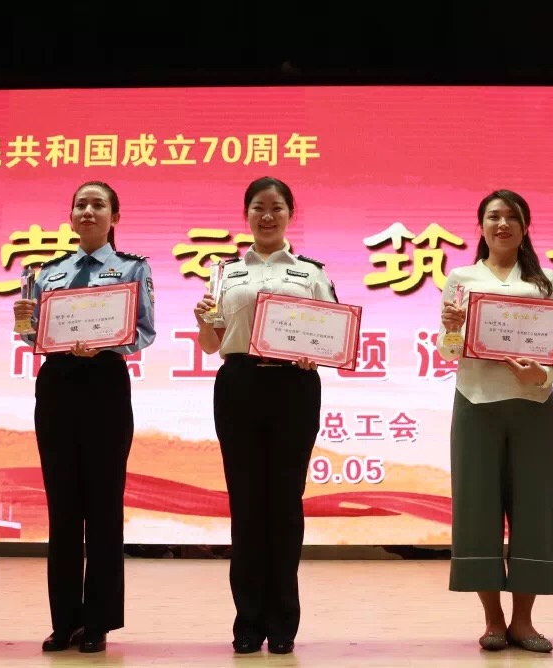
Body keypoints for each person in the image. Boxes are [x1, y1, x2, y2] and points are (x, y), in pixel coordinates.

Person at [193, 176, 336, 656]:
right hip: (239, 386)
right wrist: (202, 321)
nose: (267, 215)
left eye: (276, 207)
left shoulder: (311, 273)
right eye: (258, 207)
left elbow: (332, 336)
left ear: (290, 214)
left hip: (294, 388)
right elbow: (211, 344)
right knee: (247, 504)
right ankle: (248, 621)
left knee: (286, 504)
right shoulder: (226, 273)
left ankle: (283, 622)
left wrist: (315, 353)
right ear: (247, 214)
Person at [13, 180, 156, 654]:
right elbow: (34, 336)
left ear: (115, 216)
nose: (88, 211)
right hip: (57, 384)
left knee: (103, 506)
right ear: (71, 216)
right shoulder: (48, 272)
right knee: (63, 507)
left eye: (98, 205)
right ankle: (64, 621)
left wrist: (106, 343)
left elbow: (144, 331)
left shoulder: (133, 268)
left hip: (105, 383)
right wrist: (25, 322)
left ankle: (97, 621)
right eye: (81, 204)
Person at [437, 189, 553, 654]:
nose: (503, 224)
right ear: (481, 226)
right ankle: (493, 619)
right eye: (493, 216)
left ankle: (524, 621)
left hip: (533, 404)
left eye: (512, 217)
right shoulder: (462, 278)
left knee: (535, 510)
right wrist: (454, 328)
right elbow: (448, 350)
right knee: (477, 511)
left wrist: (542, 374)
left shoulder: (546, 282)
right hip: (476, 403)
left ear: (525, 227)